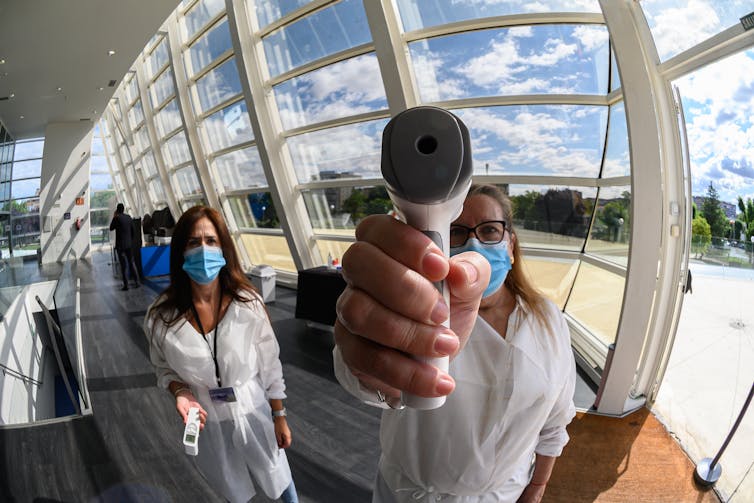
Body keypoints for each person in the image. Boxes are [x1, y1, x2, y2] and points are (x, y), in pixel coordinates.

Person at [333, 184, 576, 503]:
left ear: (511, 245)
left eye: (490, 230)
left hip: (505, 495)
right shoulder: (418, 315)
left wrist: (537, 487)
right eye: (457, 232)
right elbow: (362, 375)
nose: (475, 243)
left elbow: (555, 420)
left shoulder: (548, 320)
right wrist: (377, 374)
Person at [143, 206, 298, 503]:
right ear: (180, 251)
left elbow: (269, 363)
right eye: (193, 242)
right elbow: (164, 369)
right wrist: (181, 392)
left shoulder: (248, 304)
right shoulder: (160, 318)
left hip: (253, 408)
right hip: (209, 418)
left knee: (279, 476)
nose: (203, 249)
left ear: (223, 247)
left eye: (211, 241)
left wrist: (279, 415)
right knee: (232, 488)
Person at [110, 203, 141, 290]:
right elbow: (133, 231)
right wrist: (130, 240)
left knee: (123, 265)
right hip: (129, 245)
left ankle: (126, 285)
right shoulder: (129, 217)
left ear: (117, 210)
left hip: (120, 246)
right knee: (132, 263)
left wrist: (114, 216)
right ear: (123, 209)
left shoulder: (117, 218)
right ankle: (137, 282)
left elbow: (111, 228)